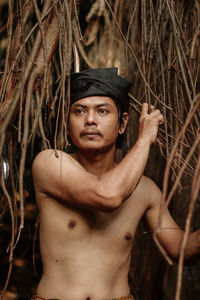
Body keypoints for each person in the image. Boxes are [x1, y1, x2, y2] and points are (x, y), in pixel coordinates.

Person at [32, 68, 200, 300]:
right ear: (68, 124)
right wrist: (144, 139)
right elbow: (107, 196)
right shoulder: (50, 163)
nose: (90, 120)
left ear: (123, 124)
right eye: (79, 111)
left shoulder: (144, 190)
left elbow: (182, 249)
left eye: (102, 111)